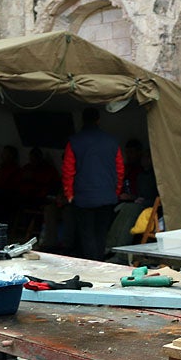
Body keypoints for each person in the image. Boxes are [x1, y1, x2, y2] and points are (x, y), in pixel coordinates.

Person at [62, 108, 124, 260]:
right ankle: (100, 262)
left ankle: (93, 264)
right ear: (98, 120)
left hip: (84, 197)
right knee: (101, 233)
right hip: (107, 196)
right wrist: (115, 191)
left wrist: (69, 193)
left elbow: (68, 169)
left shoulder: (74, 141)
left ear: (82, 120)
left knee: (87, 234)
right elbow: (120, 169)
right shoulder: (112, 141)